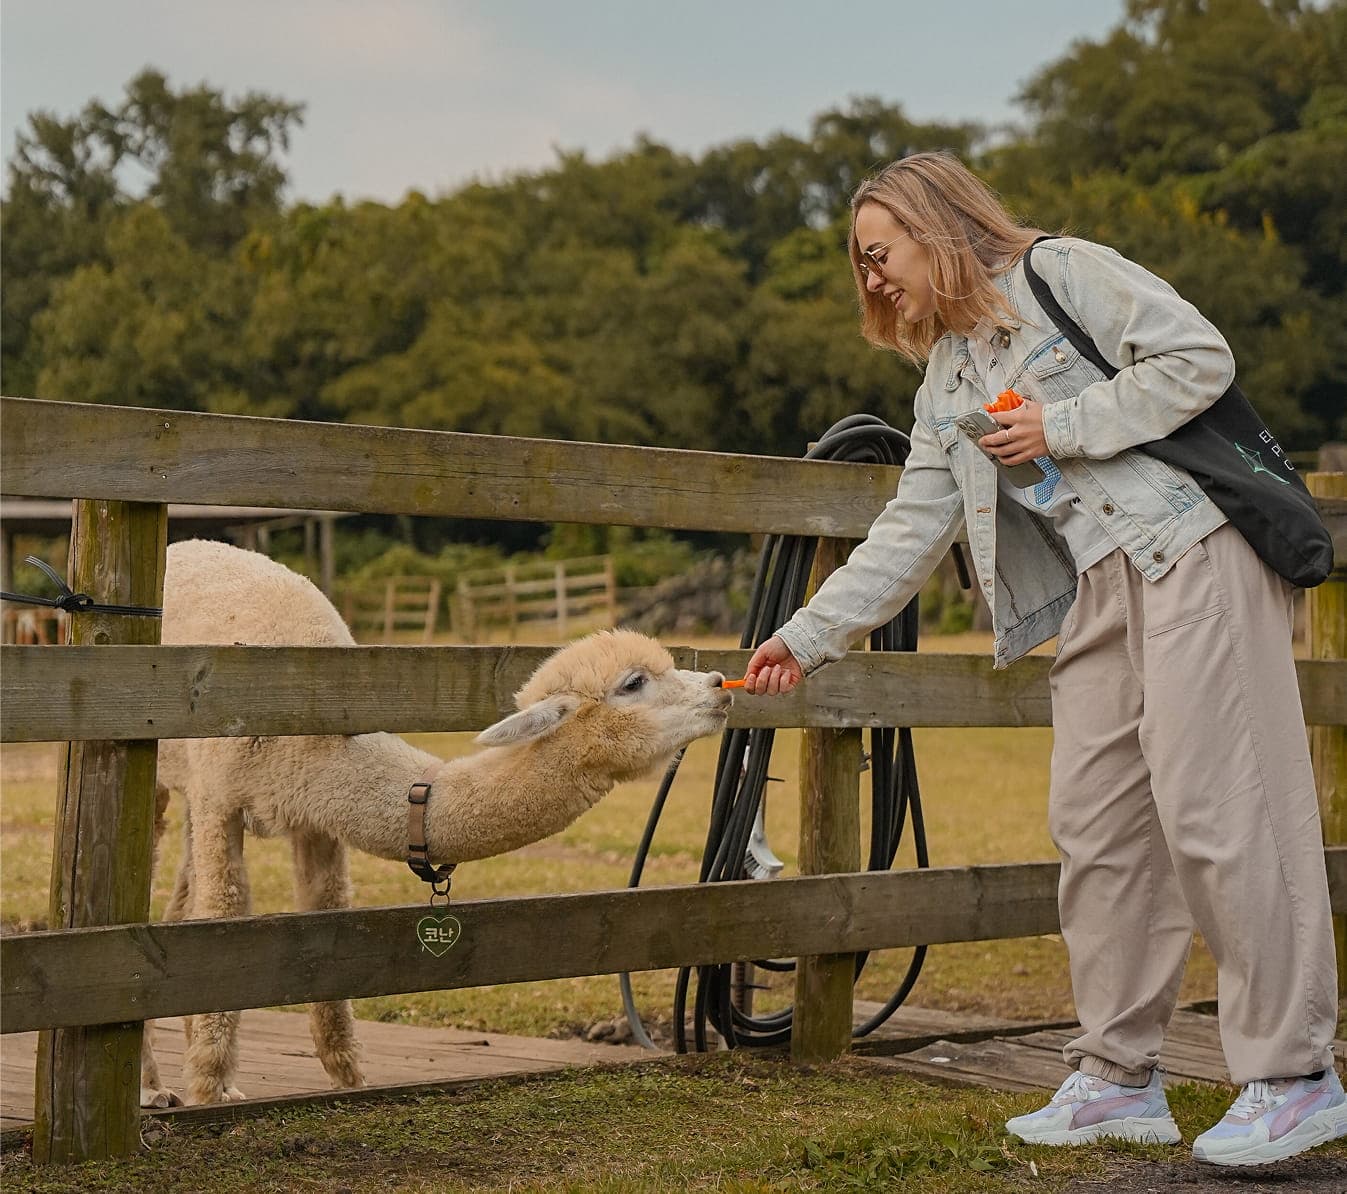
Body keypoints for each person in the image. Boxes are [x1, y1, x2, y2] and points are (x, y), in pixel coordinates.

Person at [743, 151, 1346, 1167]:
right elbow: (909, 531)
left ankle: (1296, 1077)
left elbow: (1197, 357)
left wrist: (1058, 425)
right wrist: (805, 638)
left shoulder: (1059, 271)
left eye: (879, 254)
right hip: (1100, 585)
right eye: (860, 264)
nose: (871, 280)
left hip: (1191, 550)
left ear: (936, 227)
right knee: (1098, 825)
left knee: (1223, 811)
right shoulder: (945, 381)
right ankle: (1118, 1076)